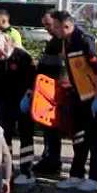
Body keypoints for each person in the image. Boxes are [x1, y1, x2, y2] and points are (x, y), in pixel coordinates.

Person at [53, 11, 97, 192]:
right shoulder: (66, 42)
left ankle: (95, 178)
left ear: (66, 26)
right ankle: (76, 175)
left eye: (56, 26)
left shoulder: (85, 40)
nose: (54, 30)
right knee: (79, 137)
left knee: (96, 138)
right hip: (80, 96)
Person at [0, 33, 37, 186]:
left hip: (23, 101)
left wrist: (28, 95)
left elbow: (33, 79)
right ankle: (6, 168)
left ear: (7, 45)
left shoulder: (23, 57)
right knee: (4, 136)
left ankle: (26, 171)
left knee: (25, 136)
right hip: (5, 101)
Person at [32, 11, 64, 176]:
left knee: (53, 130)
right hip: (46, 92)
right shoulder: (53, 42)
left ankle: (53, 161)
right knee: (48, 129)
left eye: (49, 24)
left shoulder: (60, 43)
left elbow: (60, 70)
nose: (47, 28)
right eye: (44, 25)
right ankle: (48, 158)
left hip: (53, 93)